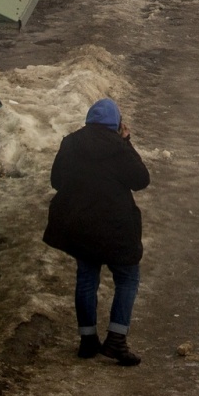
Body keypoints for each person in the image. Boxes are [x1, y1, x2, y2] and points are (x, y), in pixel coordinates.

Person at [44, 99, 151, 364]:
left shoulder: (70, 143)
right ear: (116, 124)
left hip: (81, 226)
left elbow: (56, 180)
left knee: (87, 277)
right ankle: (116, 340)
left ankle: (88, 340)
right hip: (117, 228)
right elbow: (141, 180)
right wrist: (126, 142)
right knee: (127, 278)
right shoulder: (118, 147)